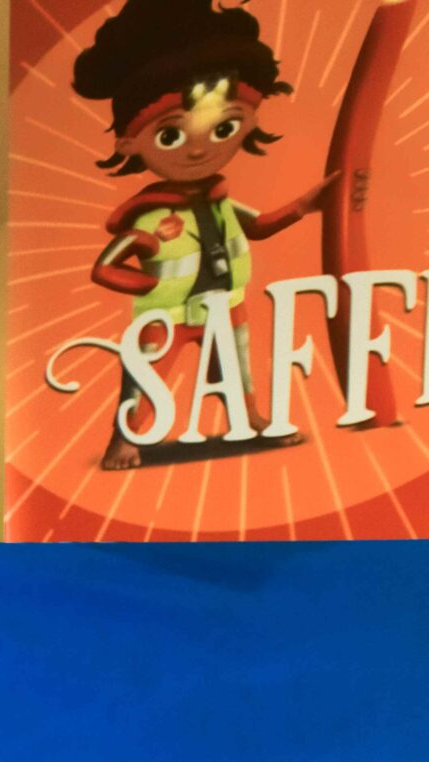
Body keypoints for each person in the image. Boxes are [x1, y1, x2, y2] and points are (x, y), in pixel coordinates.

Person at [72, 0, 331, 470]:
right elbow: (105, 266)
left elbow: (257, 226)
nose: (198, 148)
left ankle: (250, 419)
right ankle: (124, 440)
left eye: (224, 127)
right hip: (166, 315)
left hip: (226, 307)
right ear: (129, 142)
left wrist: (303, 206)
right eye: (171, 135)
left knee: (236, 370)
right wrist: (146, 284)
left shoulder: (219, 201)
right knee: (144, 376)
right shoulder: (150, 217)